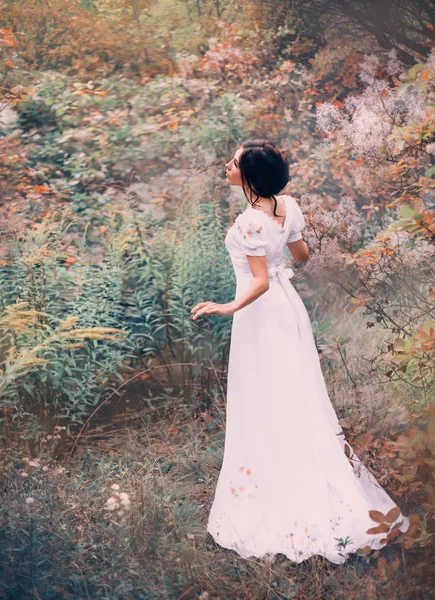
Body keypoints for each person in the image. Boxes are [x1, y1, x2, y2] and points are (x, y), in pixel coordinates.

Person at [190, 139, 410, 565]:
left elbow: (259, 282)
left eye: (233, 163)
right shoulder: (286, 206)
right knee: (294, 396)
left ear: (248, 176)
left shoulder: (248, 222)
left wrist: (227, 305)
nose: (227, 165)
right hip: (288, 310)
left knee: (265, 398)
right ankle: (293, 467)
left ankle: (278, 487)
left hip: (259, 315)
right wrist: (278, 262)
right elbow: (302, 255)